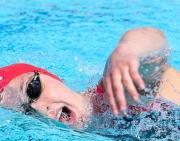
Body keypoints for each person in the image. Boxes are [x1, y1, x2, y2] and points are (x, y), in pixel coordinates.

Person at [0, 27, 178, 128]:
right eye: (26, 111)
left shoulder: (111, 97)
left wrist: (127, 50)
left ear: (52, 77)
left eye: (33, 89)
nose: (40, 108)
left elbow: (155, 43)